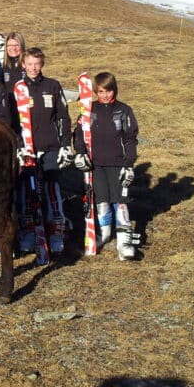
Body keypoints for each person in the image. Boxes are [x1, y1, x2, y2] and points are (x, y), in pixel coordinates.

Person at [12, 47, 73, 257]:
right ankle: (29, 232)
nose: (33, 68)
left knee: (51, 188)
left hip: (50, 147)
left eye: (37, 64)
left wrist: (65, 144)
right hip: (28, 149)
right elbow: (13, 121)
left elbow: (63, 117)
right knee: (28, 191)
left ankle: (56, 230)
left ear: (42, 64)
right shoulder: (18, 88)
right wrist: (19, 145)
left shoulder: (52, 86)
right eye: (29, 64)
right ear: (23, 65)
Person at [73, 72, 140, 260]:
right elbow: (79, 135)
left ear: (114, 90)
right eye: (101, 92)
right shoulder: (89, 109)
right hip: (96, 165)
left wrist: (129, 164)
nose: (105, 95)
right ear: (95, 92)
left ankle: (124, 240)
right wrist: (80, 153)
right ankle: (104, 233)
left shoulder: (124, 110)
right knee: (101, 200)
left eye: (108, 91)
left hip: (117, 163)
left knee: (120, 201)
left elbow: (130, 139)